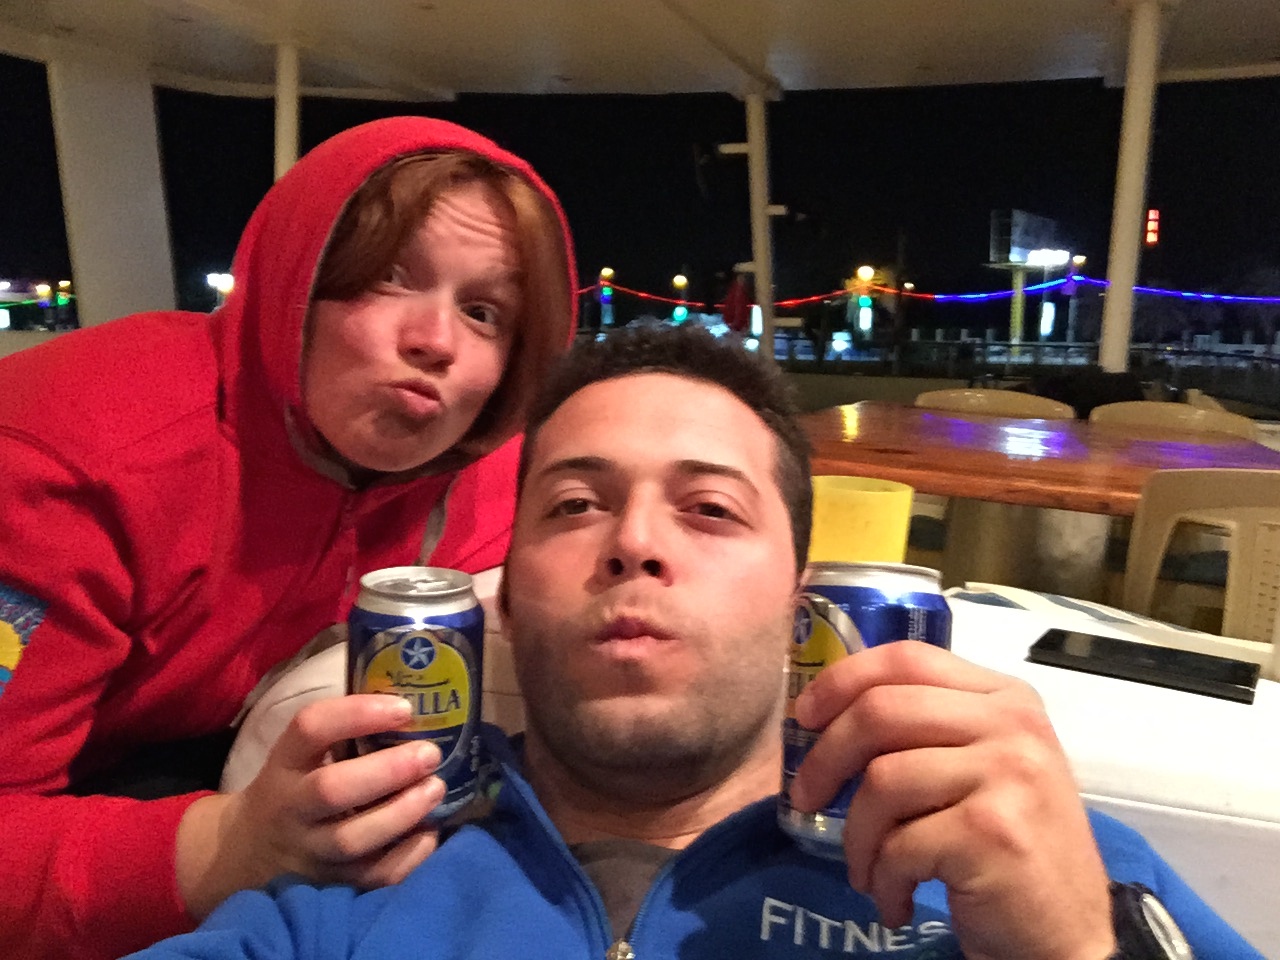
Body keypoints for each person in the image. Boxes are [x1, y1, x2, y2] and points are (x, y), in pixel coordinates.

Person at [126, 324, 1257, 960]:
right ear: (505, 600)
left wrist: (1081, 951)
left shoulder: (1034, 854)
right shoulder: (344, 893)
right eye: (574, 505)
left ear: (799, 604)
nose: (634, 543)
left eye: (709, 509)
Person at [0, 116, 576, 959]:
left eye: (484, 312)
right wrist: (225, 849)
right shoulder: (70, 463)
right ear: (294, 282)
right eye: (387, 278)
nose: (436, 342)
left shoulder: (484, 470)